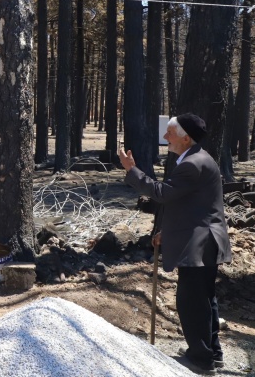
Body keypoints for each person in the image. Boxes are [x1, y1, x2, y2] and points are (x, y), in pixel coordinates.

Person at [118, 113, 231, 375]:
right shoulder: (195, 158)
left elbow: (163, 194)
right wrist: (166, 233)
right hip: (205, 239)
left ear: (186, 138)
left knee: (191, 300)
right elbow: (188, 205)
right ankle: (211, 352)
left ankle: (202, 361)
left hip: (200, 242)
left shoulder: (192, 164)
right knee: (204, 298)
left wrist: (131, 170)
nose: (166, 137)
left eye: (170, 133)